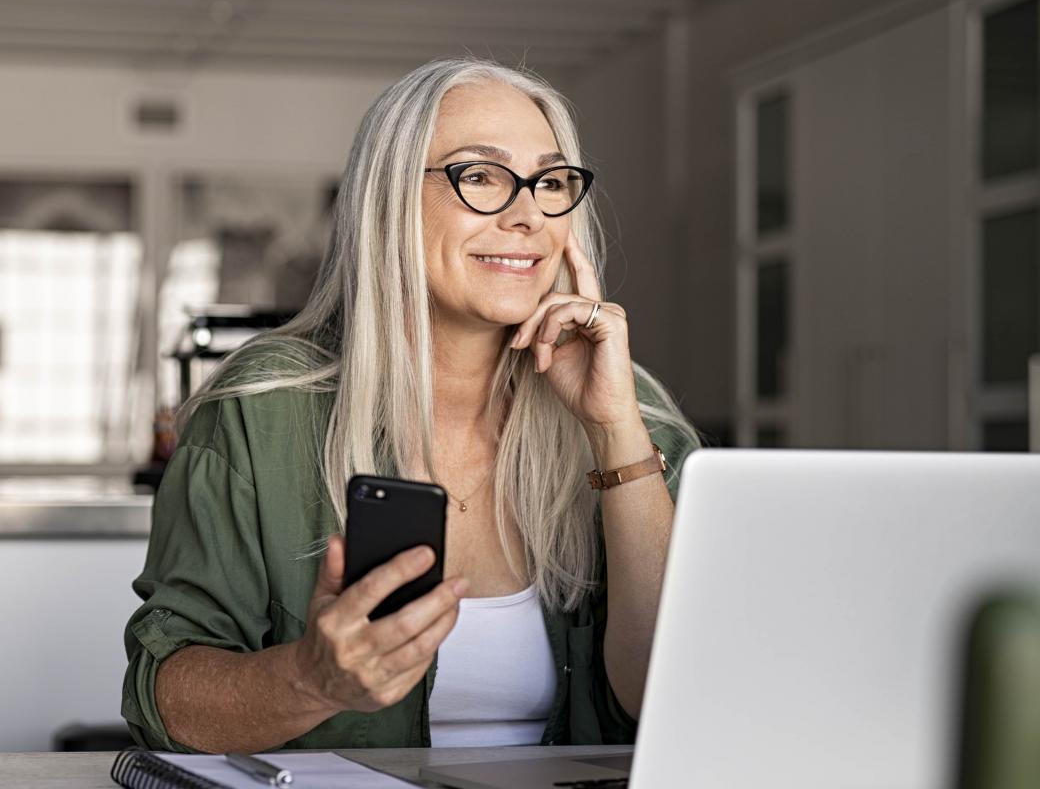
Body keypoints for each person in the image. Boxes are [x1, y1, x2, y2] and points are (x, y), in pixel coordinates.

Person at [122, 57, 700, 754]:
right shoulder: (262, 409)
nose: (526, 216)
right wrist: (311, 680)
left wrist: (615, 434)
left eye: (550, 182)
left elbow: (675, 697)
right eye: (480, 175)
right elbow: (166, 698)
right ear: (388, 199)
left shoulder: (634, 414)